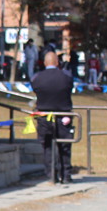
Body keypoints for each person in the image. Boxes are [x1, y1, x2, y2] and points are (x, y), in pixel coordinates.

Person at [31, 51, 75, 183]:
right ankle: (66, 174)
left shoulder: (37, 77)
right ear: (57, 62)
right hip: (63, 115)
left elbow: (34, 88)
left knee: (47, 146)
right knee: (64, 146)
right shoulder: (66, 76)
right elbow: (70, 86)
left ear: (45, 63)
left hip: (44, 116)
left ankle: (51, 174)